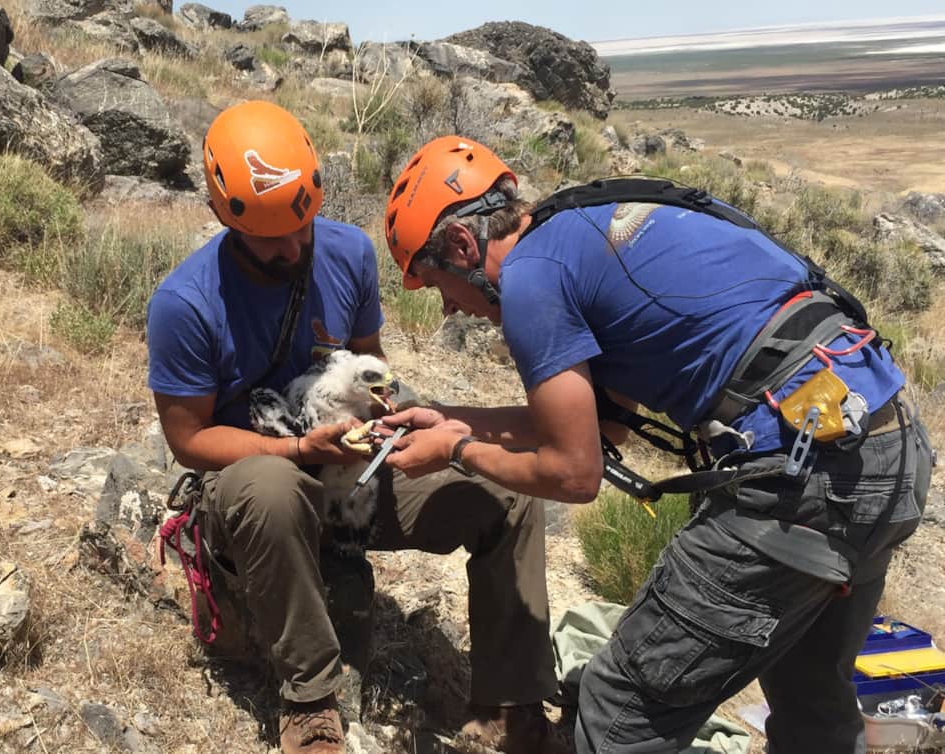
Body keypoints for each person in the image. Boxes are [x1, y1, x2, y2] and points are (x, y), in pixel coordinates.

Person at [378, 135, 934, 753]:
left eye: (435, 286)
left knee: (620, 707)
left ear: (462, 244)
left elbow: (573, 474)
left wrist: (454, 452)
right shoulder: (579, 228)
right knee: (811, 698)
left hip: (799, 474)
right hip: (885, 438)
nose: (451, 311)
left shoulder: (531, 280)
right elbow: (600, 429)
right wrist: (451, 417)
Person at [146, 103, 561, 754]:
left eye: (300, 226)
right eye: (268, 238)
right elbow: (190, 441)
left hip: (352, 475)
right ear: (223, 214)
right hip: (261, 486)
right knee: (274, 487)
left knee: (504, 491)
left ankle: (512, 705)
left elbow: (373, 370)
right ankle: (310, 705)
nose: (292, 248)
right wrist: (295, 448)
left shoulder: (344, 253)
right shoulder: (186, 304)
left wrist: (385, 420)